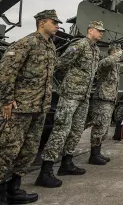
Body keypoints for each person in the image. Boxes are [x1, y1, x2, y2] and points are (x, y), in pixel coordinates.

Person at [0, 10, 60, 205]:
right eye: (54, 22)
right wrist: (6, 100)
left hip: (38, 108)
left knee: (28, 151)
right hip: (18, 108)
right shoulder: (26, 43)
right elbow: (2, 74)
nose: (57, 25)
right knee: (7, 151)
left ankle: (14, 190)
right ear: (42, 22)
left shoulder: (50, 47)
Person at [36, 21, 105, 188]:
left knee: (76, 130)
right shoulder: (80, 45)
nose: (102, 33)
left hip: (84, 96)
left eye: (102, 31)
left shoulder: (95, 50)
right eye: (99, 31)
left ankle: (67, 164)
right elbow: (60, 64)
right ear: (90, 30)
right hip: (71, 94)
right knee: (61, 129)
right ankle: (45, 172)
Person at [85, 44, 123, 165]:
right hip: (102, 99)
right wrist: (117, 54)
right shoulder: (105, 63)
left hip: (109, 99)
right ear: (113, 53)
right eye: (118, 53)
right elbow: (106, 62)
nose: (120, 56)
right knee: (99, 127)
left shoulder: (115, 66)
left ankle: (98, 152)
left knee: (105, 129)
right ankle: (94, 155)